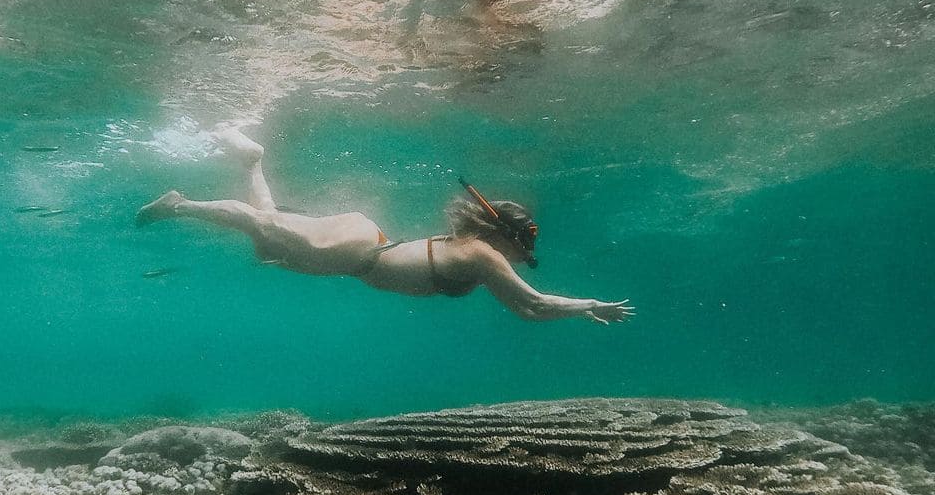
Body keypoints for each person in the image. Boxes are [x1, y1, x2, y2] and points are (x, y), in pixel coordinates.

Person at [136, 129, 633, 324]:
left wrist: (577, 311)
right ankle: (179, 204)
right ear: (502, 233)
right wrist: (587, 304)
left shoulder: (481, 258)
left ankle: (250, 160)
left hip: (358, 251)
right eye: (526, 238)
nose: (528, 249)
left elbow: (528, 311)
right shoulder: (485, 257)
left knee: (267, 242)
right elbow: (537, 304)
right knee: (262, 224)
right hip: (357, 251)